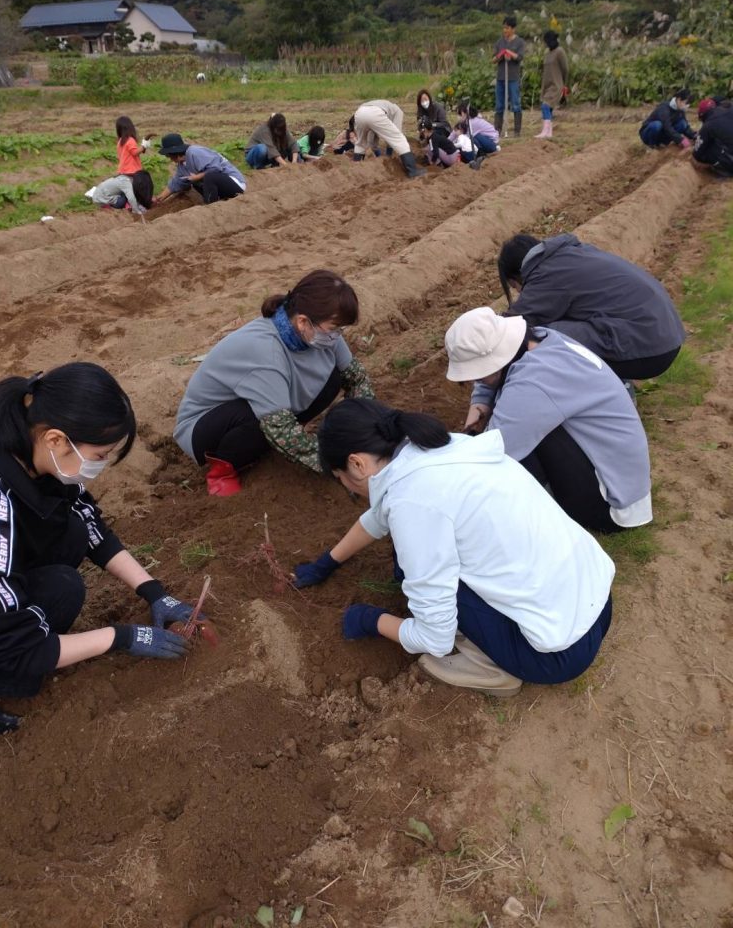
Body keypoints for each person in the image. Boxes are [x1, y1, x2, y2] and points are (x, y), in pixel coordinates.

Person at [292, 398, 614, 695]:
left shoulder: (411, 500)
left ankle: (489, 665)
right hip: (596, 603)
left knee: (410, 572)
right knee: (423, 563)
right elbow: (380, 516)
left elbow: (434, 638)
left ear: (357, 464)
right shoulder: (438, 448)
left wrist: (369, 619)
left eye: (341, 478)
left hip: (558, 655)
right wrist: (328, 561)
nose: (347, 487)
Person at [0, 363, 202, 738]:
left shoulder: (28, 452)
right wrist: (122, 637)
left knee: (70, 535)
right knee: (56, 595)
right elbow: (6, 645)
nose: (103, 465)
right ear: (56, 439)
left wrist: (153, 592)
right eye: (100, 455)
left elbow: (90, 525)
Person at [445, 307, 653, 534]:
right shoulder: (540, 340)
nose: (476, 379)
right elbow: (488, 383)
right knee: (520, 424)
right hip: (621, 476)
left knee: (508, 460)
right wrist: (473, 423)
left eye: (477, 373)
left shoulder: (535, 381)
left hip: (610, 505)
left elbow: (494, 452)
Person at [173, 270, 375, 496]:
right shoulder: (266, 351)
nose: (338, 336)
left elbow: (356, 377)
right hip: (207, 427)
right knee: (257, 419)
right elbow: (280, 428)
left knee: (333, 377)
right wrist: (337, 466)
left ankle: (270, 442)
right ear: (302, 322)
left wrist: (364, 433)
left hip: (268, 409)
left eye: (341, 330)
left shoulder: (321, 333)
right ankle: (222, 471)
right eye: (334, 329)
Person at [497, 233, 685, 379]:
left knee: (541, 336)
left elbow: (514, 325)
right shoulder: (573, 254)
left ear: (518, 275)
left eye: (515, 287)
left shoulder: (547, 274)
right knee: (564, 324)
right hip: (665, 335)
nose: (521, 293)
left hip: (650, 349)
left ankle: (602, 396)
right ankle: (614, 385)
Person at [153, 133, 246, 206]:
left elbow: (215, 168)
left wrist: (198, 177)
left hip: (235, 184)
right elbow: (177, 182)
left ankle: (211, 205)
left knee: (209, 177)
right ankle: (214, 203)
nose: (169, 158)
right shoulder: (182, 165)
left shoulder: (195, 152)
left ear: (173, 153)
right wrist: (159, 198)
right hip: (222, 188)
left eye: (168, 155)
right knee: (192, 181)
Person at [352, 99, 425, 178]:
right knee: (400, 139)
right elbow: (395, 136)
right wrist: (388, 154)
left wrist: (377, 152)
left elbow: (372, 139)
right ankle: (413, 171)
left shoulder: (382, 104)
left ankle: (356, 169)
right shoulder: (398, 111)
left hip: (359, 113)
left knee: (360, 143)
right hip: (375, 113)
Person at [493, 16, 525, 137]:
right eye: (504, 28)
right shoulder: (500, 42)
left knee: (515, 103)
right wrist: (500, 56)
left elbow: (520, 57)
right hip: (501, 77)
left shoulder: (519, 42)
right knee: (499, 105)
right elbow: (493, 59)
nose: (504, 30)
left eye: (507, 28)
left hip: (513, 77)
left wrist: (509, 53)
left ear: (513, 29)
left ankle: (517, 131)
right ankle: (497, 130)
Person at [536, 31, 569, 139]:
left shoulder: (559, 52)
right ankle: (548, 132)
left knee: (545, 106)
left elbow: (565, 69)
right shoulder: (548, 54)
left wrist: (563, 83)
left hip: (556, 85)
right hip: (547, 85)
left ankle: (546, 131)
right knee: (548, 108)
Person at [692, 98, 733, 178]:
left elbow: (697, 154)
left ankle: (725, 170)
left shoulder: (708, 125)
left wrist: (699, 138)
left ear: (703, 115)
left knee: (709, 147)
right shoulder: (730, 109)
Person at [85, 171, 153, 213]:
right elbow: (131, 198)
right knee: (127, 195)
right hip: (101, 199)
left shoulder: (125, 178)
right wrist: (136, 211)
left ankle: (131, 205)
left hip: (98, 197)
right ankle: (129, 206)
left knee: (127, 193)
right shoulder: (126, 183)